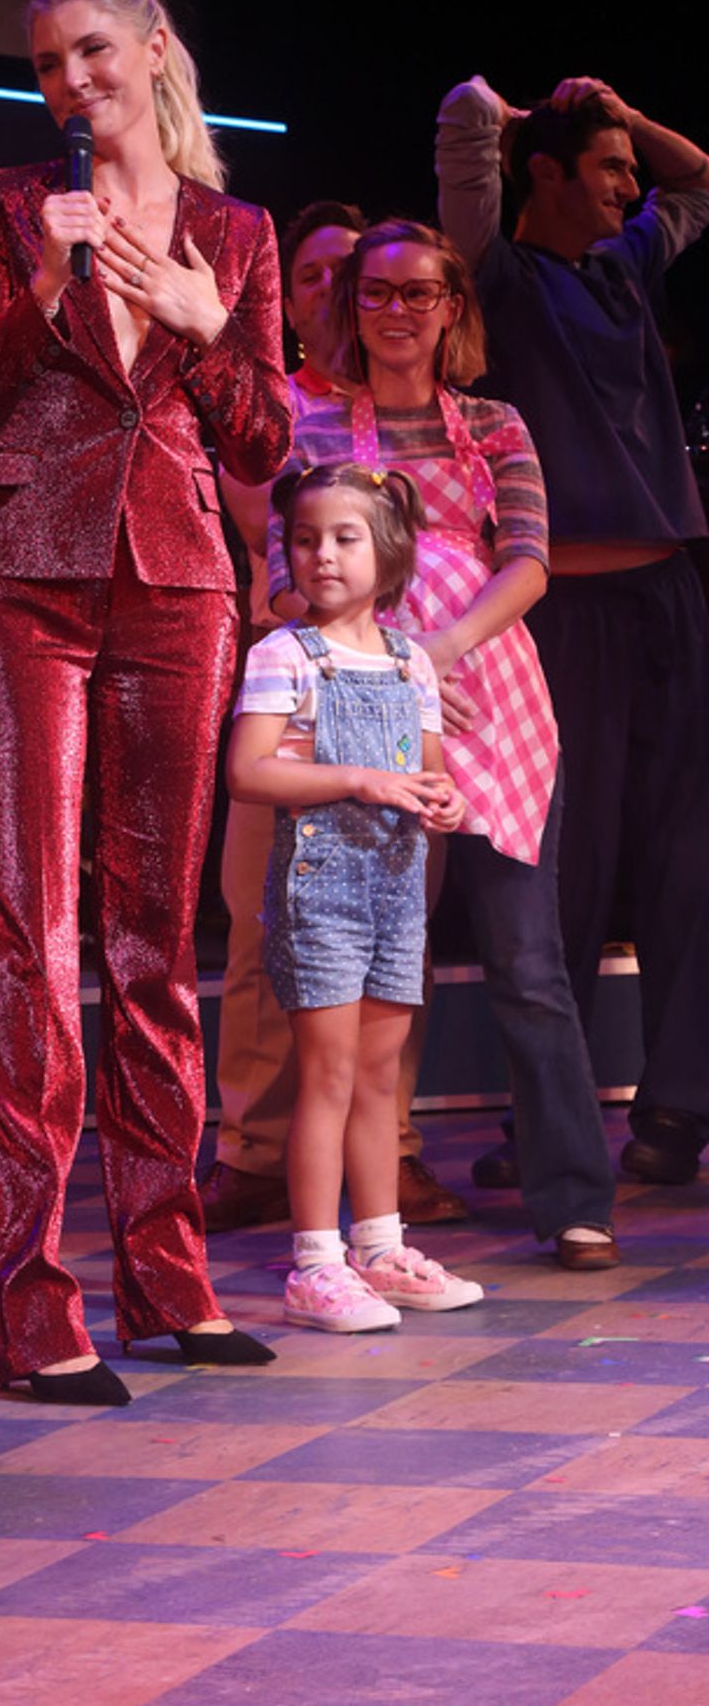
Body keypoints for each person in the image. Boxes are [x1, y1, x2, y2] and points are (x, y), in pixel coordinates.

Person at [0, 0, 292, 1404]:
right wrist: (41, 298)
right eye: (43, 64)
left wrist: (207, 326)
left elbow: (264, 439)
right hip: (22, 569)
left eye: (90, 50)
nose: (68, 81)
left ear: (152, 50)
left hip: (181, 581)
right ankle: (30, 1302)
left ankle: (169, 1272)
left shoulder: (241, 230)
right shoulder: (2, 204)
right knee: (28, 926)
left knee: (156, 935)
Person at [266, 221, 619, 1268]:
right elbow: (285, 576)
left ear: (451, 306)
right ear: (351, 306)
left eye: (420, 293)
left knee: (526, 959)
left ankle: (571, 1196)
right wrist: (388, 662)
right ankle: (362, 1223)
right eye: (376, 293)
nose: (396, 312)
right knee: (372, 967)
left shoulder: (493, 423)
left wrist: (440, 649)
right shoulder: (315, 426)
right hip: (365, 705)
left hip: (490, 694)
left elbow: (528, 561)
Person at [437, 74, 709, 1189]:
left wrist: (621, 111)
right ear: (541, 174)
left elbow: (697, 178)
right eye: (603, 168)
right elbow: (459, 138)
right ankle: (546, 1126)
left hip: (663, 599)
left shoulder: (623, 264)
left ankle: (675, 1111)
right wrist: (503, 117)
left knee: (685, 858)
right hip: (561, 614)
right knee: (566, 862)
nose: (628, 186)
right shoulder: (495, 276)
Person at [202, 201, 468, 1233]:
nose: (331, 298)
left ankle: (380, 1182)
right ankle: (261, 1158)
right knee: (262, 936)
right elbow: (264, 538)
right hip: (299, 726)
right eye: (311, 278)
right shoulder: (282, 418)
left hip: (383, 793)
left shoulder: (403, 435)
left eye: (341, 278)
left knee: (382, 993)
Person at [228, 464, 479, 1329]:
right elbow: (249, 770)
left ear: (389, 550)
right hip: (321, 892)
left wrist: (445, 798)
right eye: (304, 539)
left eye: (344, 538)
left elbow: (433, 773)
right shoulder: (284, 655)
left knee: (380, 1078)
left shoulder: (412, 662)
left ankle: (380, 1246)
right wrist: (359, 781)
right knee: (328, 1076)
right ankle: (315, 1261)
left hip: (396, 893)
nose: (322, 555)